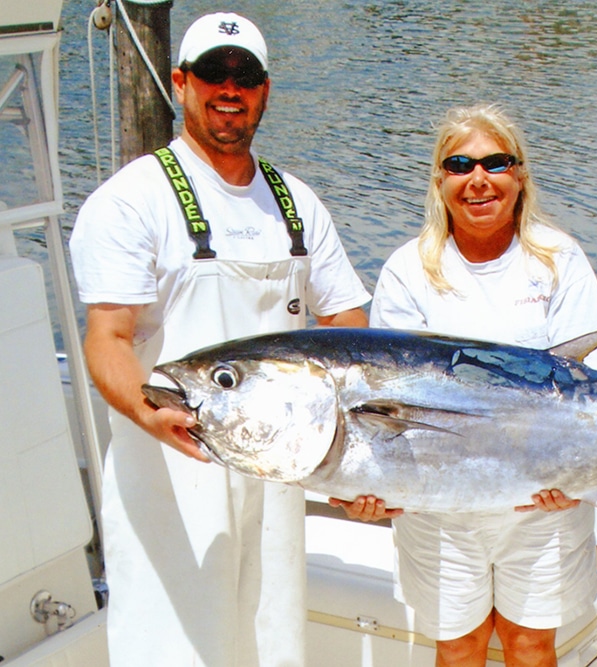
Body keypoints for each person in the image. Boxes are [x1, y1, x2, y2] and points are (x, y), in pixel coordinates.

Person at [69, 12, 370, 666]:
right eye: (213, 73)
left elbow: (352, 335)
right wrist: (155, 415)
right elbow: (107, 339)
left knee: (273, 646)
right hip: (177, 470)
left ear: (264, 90)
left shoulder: (298, 206)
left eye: (246, 76)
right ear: (180, 83)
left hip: (282, 475)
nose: (228, 89)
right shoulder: (132, 202)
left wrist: (357, 462)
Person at [358, 103, 597, 666]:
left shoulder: (557, 260)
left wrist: (579, 476)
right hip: (438, 508)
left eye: (496, 163)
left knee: (531, 647)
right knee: (458, 649)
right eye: (459, 165)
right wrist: (368, 489)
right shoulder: (409, 270)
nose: (478, 180)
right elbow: (389, 410)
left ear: (519, 176)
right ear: (440, 180)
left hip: (544, 502)